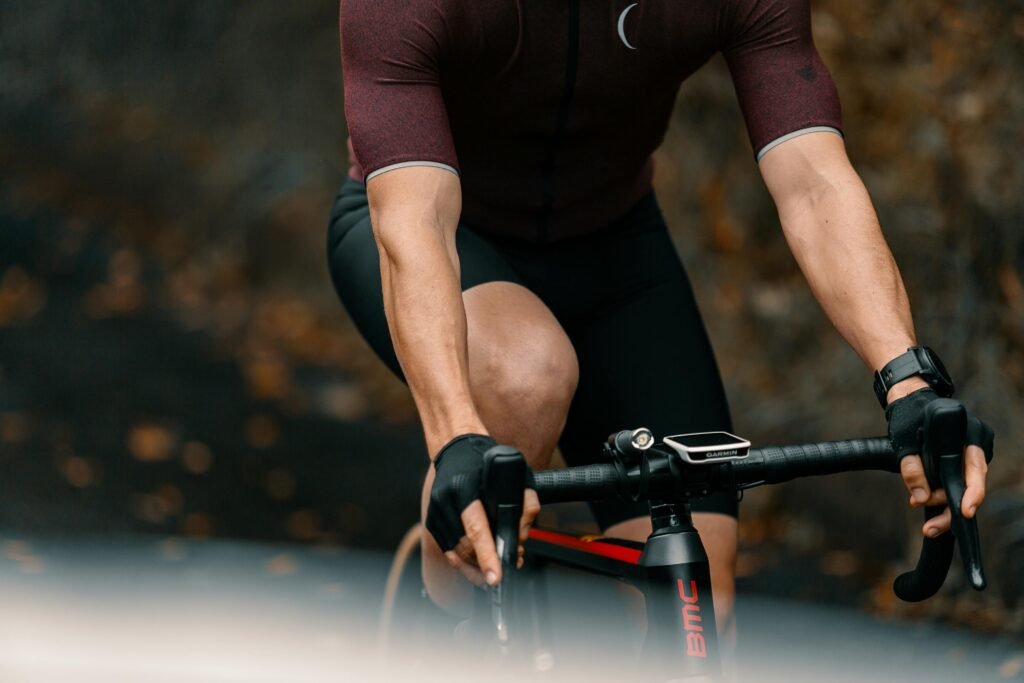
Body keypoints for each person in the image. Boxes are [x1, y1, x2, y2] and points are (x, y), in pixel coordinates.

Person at [327, 0, 992, 643]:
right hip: (442, 233)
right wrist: (453, 435)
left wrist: (907, 378)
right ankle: (440, 614)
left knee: (699, 594)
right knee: (525, 375)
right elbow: (415, 224)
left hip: (615, 245)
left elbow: (813, 180)